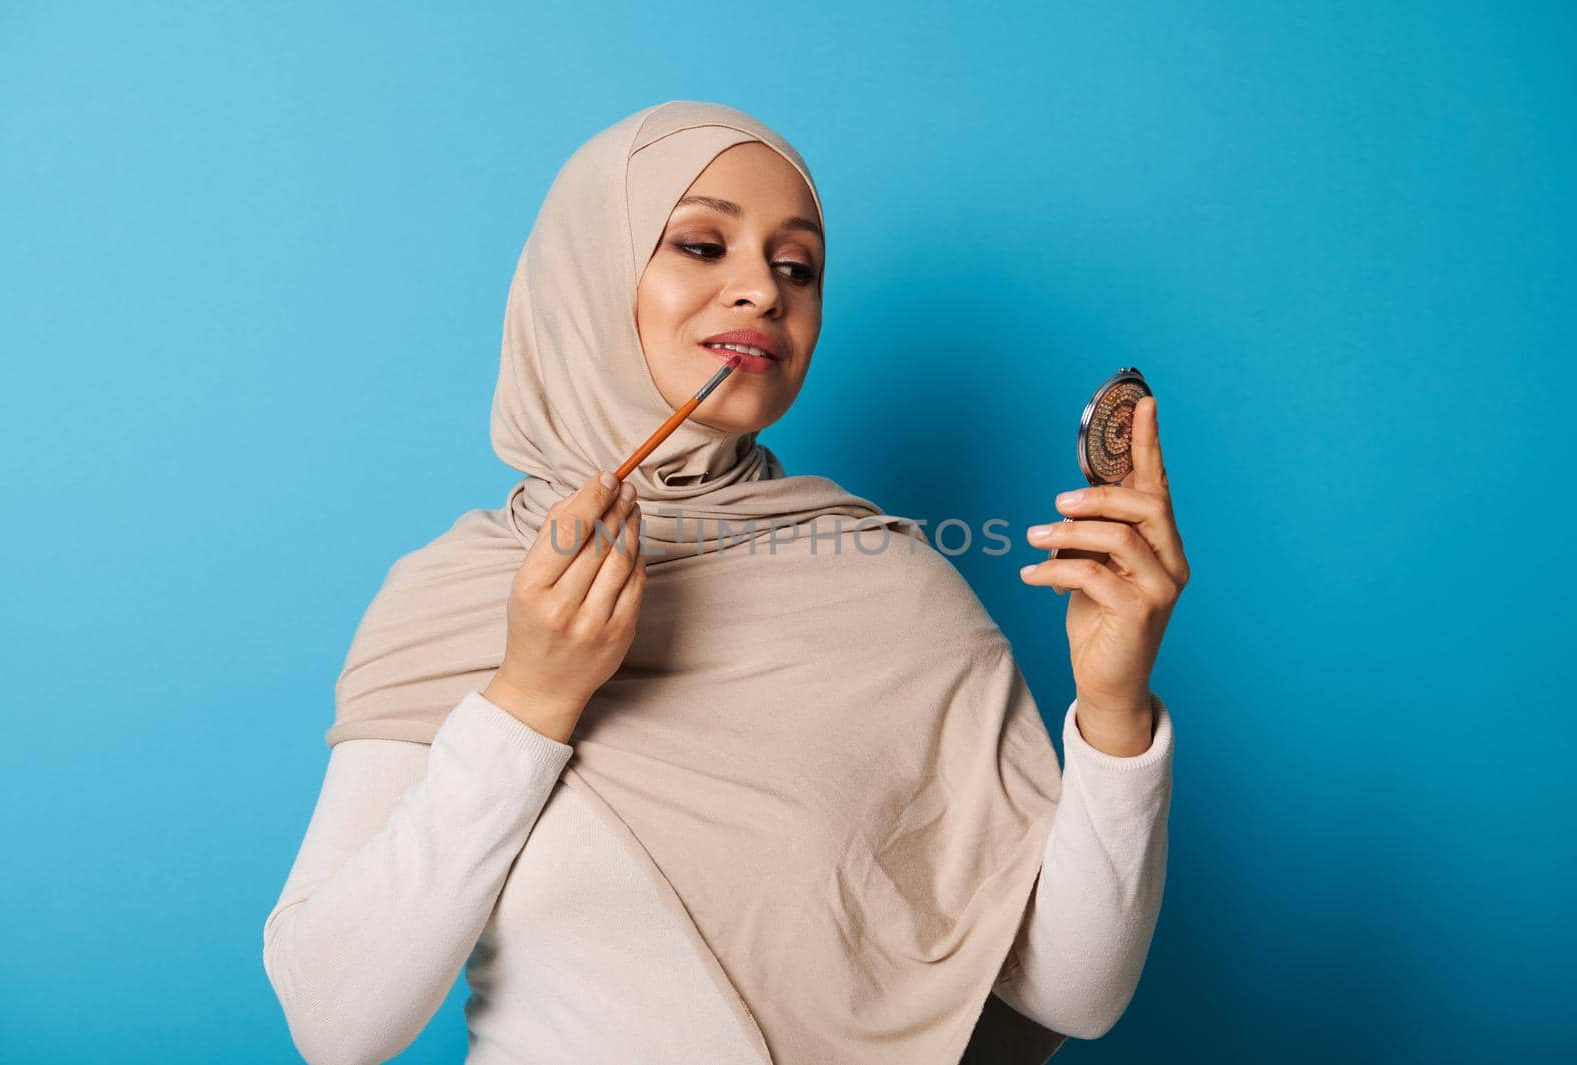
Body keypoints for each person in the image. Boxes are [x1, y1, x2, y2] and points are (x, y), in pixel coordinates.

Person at [262, 100, 1188, 1065]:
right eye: (702, 245)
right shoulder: (459, 597)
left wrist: (1114, 712)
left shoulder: (891, 587)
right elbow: (336, 1023)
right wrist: (529, 700)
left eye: (797, 267)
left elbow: (1072, 992)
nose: (762, 290)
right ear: (589, 275)